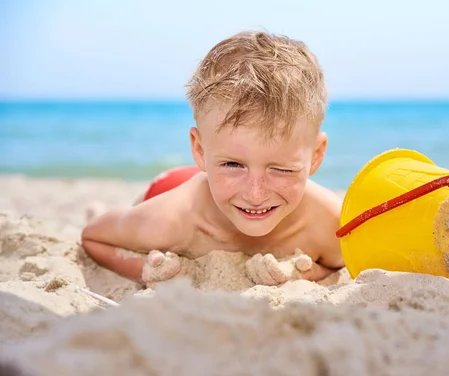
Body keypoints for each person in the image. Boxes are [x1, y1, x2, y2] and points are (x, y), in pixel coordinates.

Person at [81, 30, 344, 287]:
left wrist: (307, 274)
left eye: (281, 169)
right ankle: (102, 207)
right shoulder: (170, 220)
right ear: (200, 150)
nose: (255, 194)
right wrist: (145, 271)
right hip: (172, 186)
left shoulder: (330, 224)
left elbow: (339, 264)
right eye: (233, 164)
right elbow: (94, 238)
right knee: (134, 210)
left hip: (215, 187)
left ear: (316, 155)